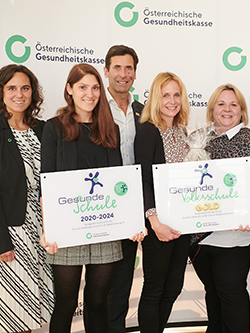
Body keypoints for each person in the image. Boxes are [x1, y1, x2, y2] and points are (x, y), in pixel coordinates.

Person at [40, 63, 144, 333]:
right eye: (83, 87)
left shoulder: (109, 129)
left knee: (98, 302)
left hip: (104, 228)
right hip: (66, 230)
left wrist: (131, 222)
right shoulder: (54, 129)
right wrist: (47, 230)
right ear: (69, 89)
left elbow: (119, 184)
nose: (90, 93)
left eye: (95, 87)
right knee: (65, 303)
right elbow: (47, 184)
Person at [0, 64, 54, 333]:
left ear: (33, 93)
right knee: (13, 313)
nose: (19, 94)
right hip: (7, 231)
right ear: (1, 92)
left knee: (33, 309)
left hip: (40, 231)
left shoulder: (45, 131)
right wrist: (0, 242)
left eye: (25, 88)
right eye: (12, 88)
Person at [190, 84, 250, 333]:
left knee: (231, 294)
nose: (227, 109)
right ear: (212, 108)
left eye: (233, 104)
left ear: (242, 110)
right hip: (201, 236)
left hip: (235, 235)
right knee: (212, 295)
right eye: (221, 104)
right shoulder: (197, 141)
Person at [134, 72, 191, 333]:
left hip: (181, 224)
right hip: (159, 225)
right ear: (156, 98)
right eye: (165, 95)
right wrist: (153, 221)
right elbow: (143, 178)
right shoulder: (148, 131)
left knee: (173, 287)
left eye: (176, 95)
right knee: (154, 288)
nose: (172, 101)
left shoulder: (182, 131)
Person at [103, 44, 145, 333]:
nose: (123, 74)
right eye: (117, 67)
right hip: (101, 208)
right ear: (106, 71)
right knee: (99, 286)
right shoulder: (92, 108)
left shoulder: (143, 112)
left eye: (128, 68)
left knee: (121, 286)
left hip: (133, 209)